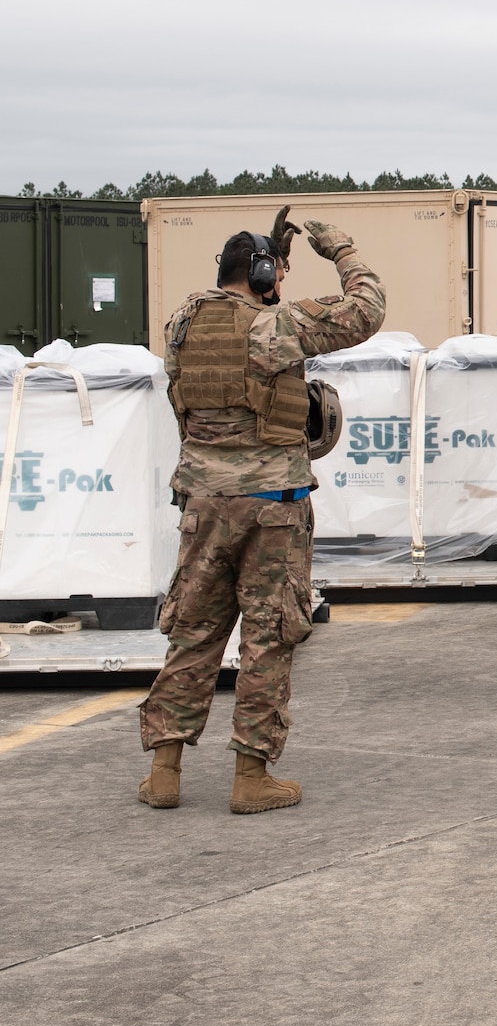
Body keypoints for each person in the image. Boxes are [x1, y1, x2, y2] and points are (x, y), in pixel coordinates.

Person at [137, 218, 385, 812]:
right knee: (268, 636)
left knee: (194, 632)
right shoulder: (280, 326)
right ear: (267, 276)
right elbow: (366, 309)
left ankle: (164, 773)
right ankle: (250, 777)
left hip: (202, 502)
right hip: (272, 509)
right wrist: (340, 248)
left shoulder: (181, 324)